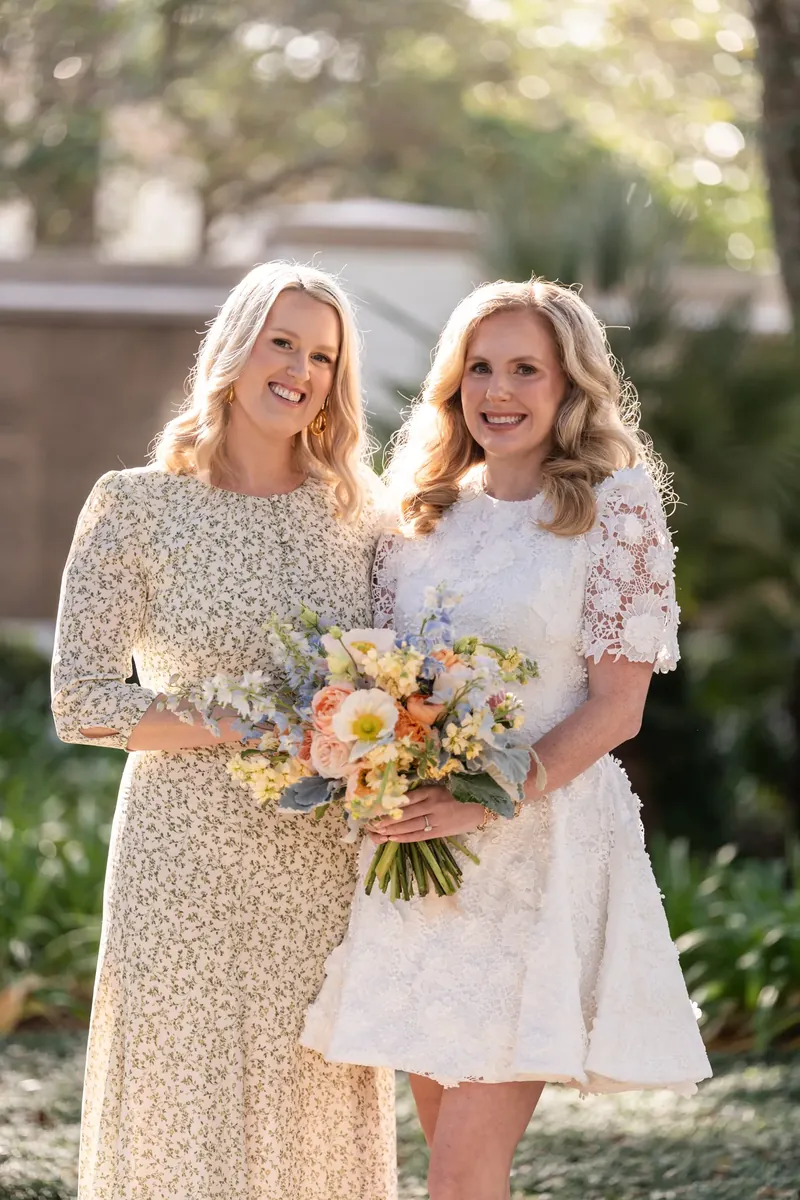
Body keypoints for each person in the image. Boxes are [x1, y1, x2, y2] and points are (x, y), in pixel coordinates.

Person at [301, 277, 711, 1200]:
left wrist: (478, 799)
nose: (500, 390)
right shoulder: (421, 513)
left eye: (526, 369)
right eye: (479, 368)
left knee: (460, 1173)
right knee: (453, 1159)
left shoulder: (619, 511)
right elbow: (380, 674)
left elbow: (617, 707)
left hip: (539, 854)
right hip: (417, 865)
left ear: (571, 385)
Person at [51, 263, 396, 1200]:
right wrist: (237, 722)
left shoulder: (361, 518)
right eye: (282, 341)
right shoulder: (135, 504)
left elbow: (405, 678)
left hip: (318, 859)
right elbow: (80, 700)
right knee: (183, 1100)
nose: (300, 369)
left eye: (323, 355)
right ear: (234, 347)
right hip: (182, 856)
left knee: (313, 1101)